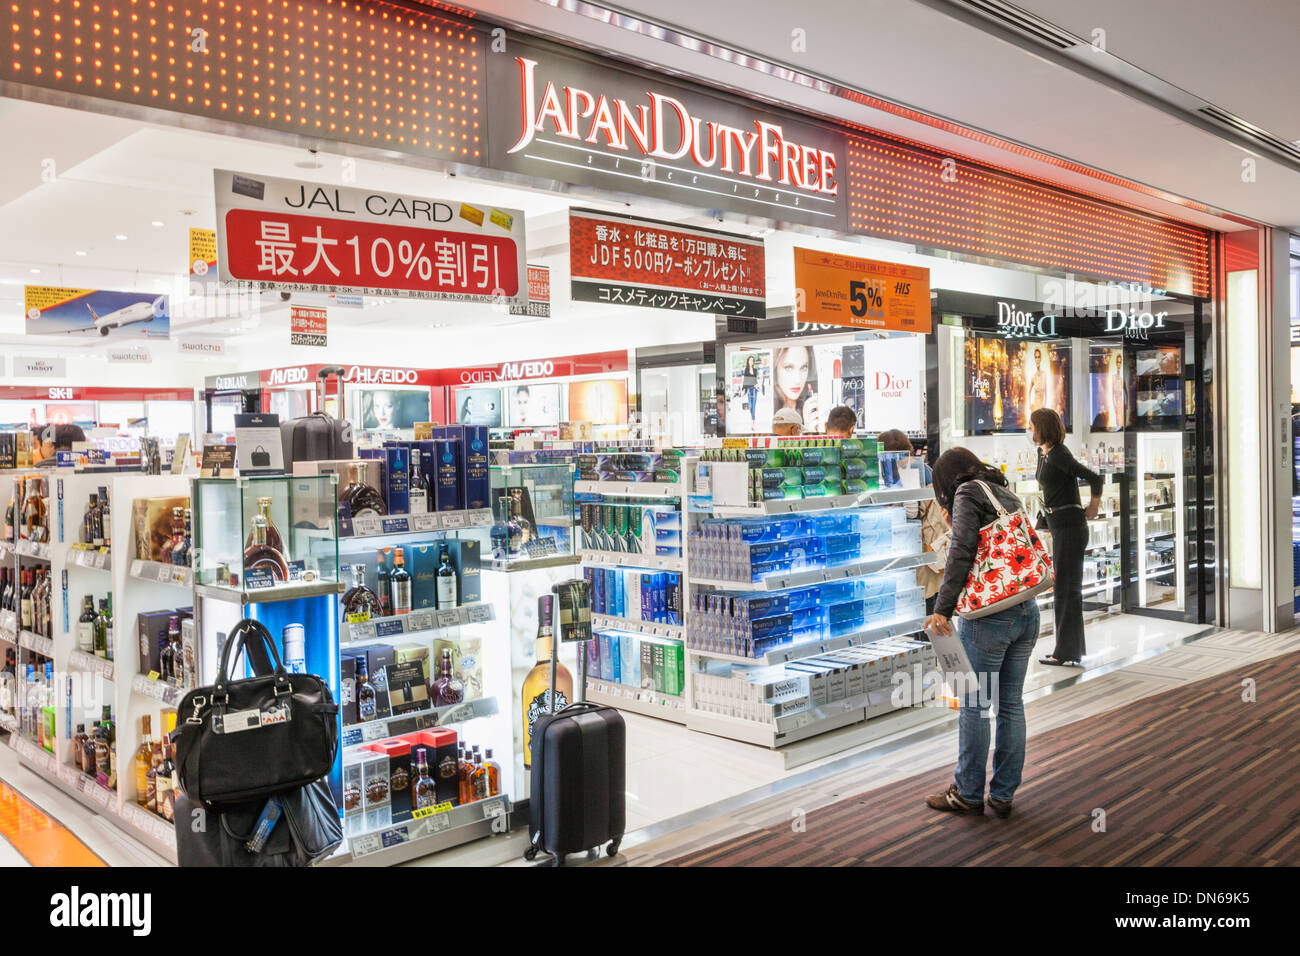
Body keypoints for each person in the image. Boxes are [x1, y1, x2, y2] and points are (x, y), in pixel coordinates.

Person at [922, 447, 1040, 817]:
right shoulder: (1000, 489)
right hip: (1026, 608)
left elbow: (961, 551)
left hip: (989, 615)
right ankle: (1003, 794)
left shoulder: (966, 492)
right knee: (1011, 705)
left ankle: (968, 793)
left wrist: (942, 609)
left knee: (974, 706)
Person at [1030, 407, 1101, 667]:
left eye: (1032, 426)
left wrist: (1094, 505)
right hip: (1059, 525)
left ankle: (1066, 651)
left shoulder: (1060, 454)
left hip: (1071, 527)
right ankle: (1068, 649)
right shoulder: (1044, 453)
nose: (1029, 431)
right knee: (1065, 588)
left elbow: (1094, 477)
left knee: (1066, 590)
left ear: (1042, 428)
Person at [878, 430, 944, 612]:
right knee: (933, 602)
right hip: (934, 547)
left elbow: (912, 511)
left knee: (922, 606)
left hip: (919, 546)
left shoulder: (906, 470)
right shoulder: (927, 469)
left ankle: (925, 639)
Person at [773, 345, 818, 432]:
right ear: (775, 369)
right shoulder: (767, 412)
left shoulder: (811, 408)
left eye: (804, 368)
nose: (797, 380)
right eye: (788, 368)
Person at [740, 356, 759, 427]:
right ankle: (752, 418)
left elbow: (755, 379)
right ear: (748, 361)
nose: (751, 362)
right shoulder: (746, 369)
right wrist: (743, 389)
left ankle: (753, 421)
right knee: (750, 406)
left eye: (752, 361)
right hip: (749, 389)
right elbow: (745, 379)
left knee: (753, 406)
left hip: (754, 389)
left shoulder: (755, 370)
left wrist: (757, 385)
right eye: (750, 360)